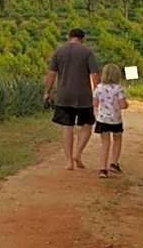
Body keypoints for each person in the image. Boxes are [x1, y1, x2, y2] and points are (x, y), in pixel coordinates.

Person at [43, 28, 100, 171]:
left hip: (63, 95)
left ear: (69, 37)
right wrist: (98, 94)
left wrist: (47, 92)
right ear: (82, 38)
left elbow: (51, 74)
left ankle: (69, 161)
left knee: (67, 127)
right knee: (87, 125)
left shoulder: (59, 52)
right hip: (83, 96)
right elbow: (94, 76)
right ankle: (78, 153)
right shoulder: (87, 52)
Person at [93, 63, 128, 179]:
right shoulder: (118, 89)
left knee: (105, 144)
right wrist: (125, 104)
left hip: (102, 119)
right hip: (115, 120)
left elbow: (95, 104)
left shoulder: (99, 88)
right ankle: (114, 163)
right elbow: (123, 105)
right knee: (117, 139)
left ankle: (103, 169)